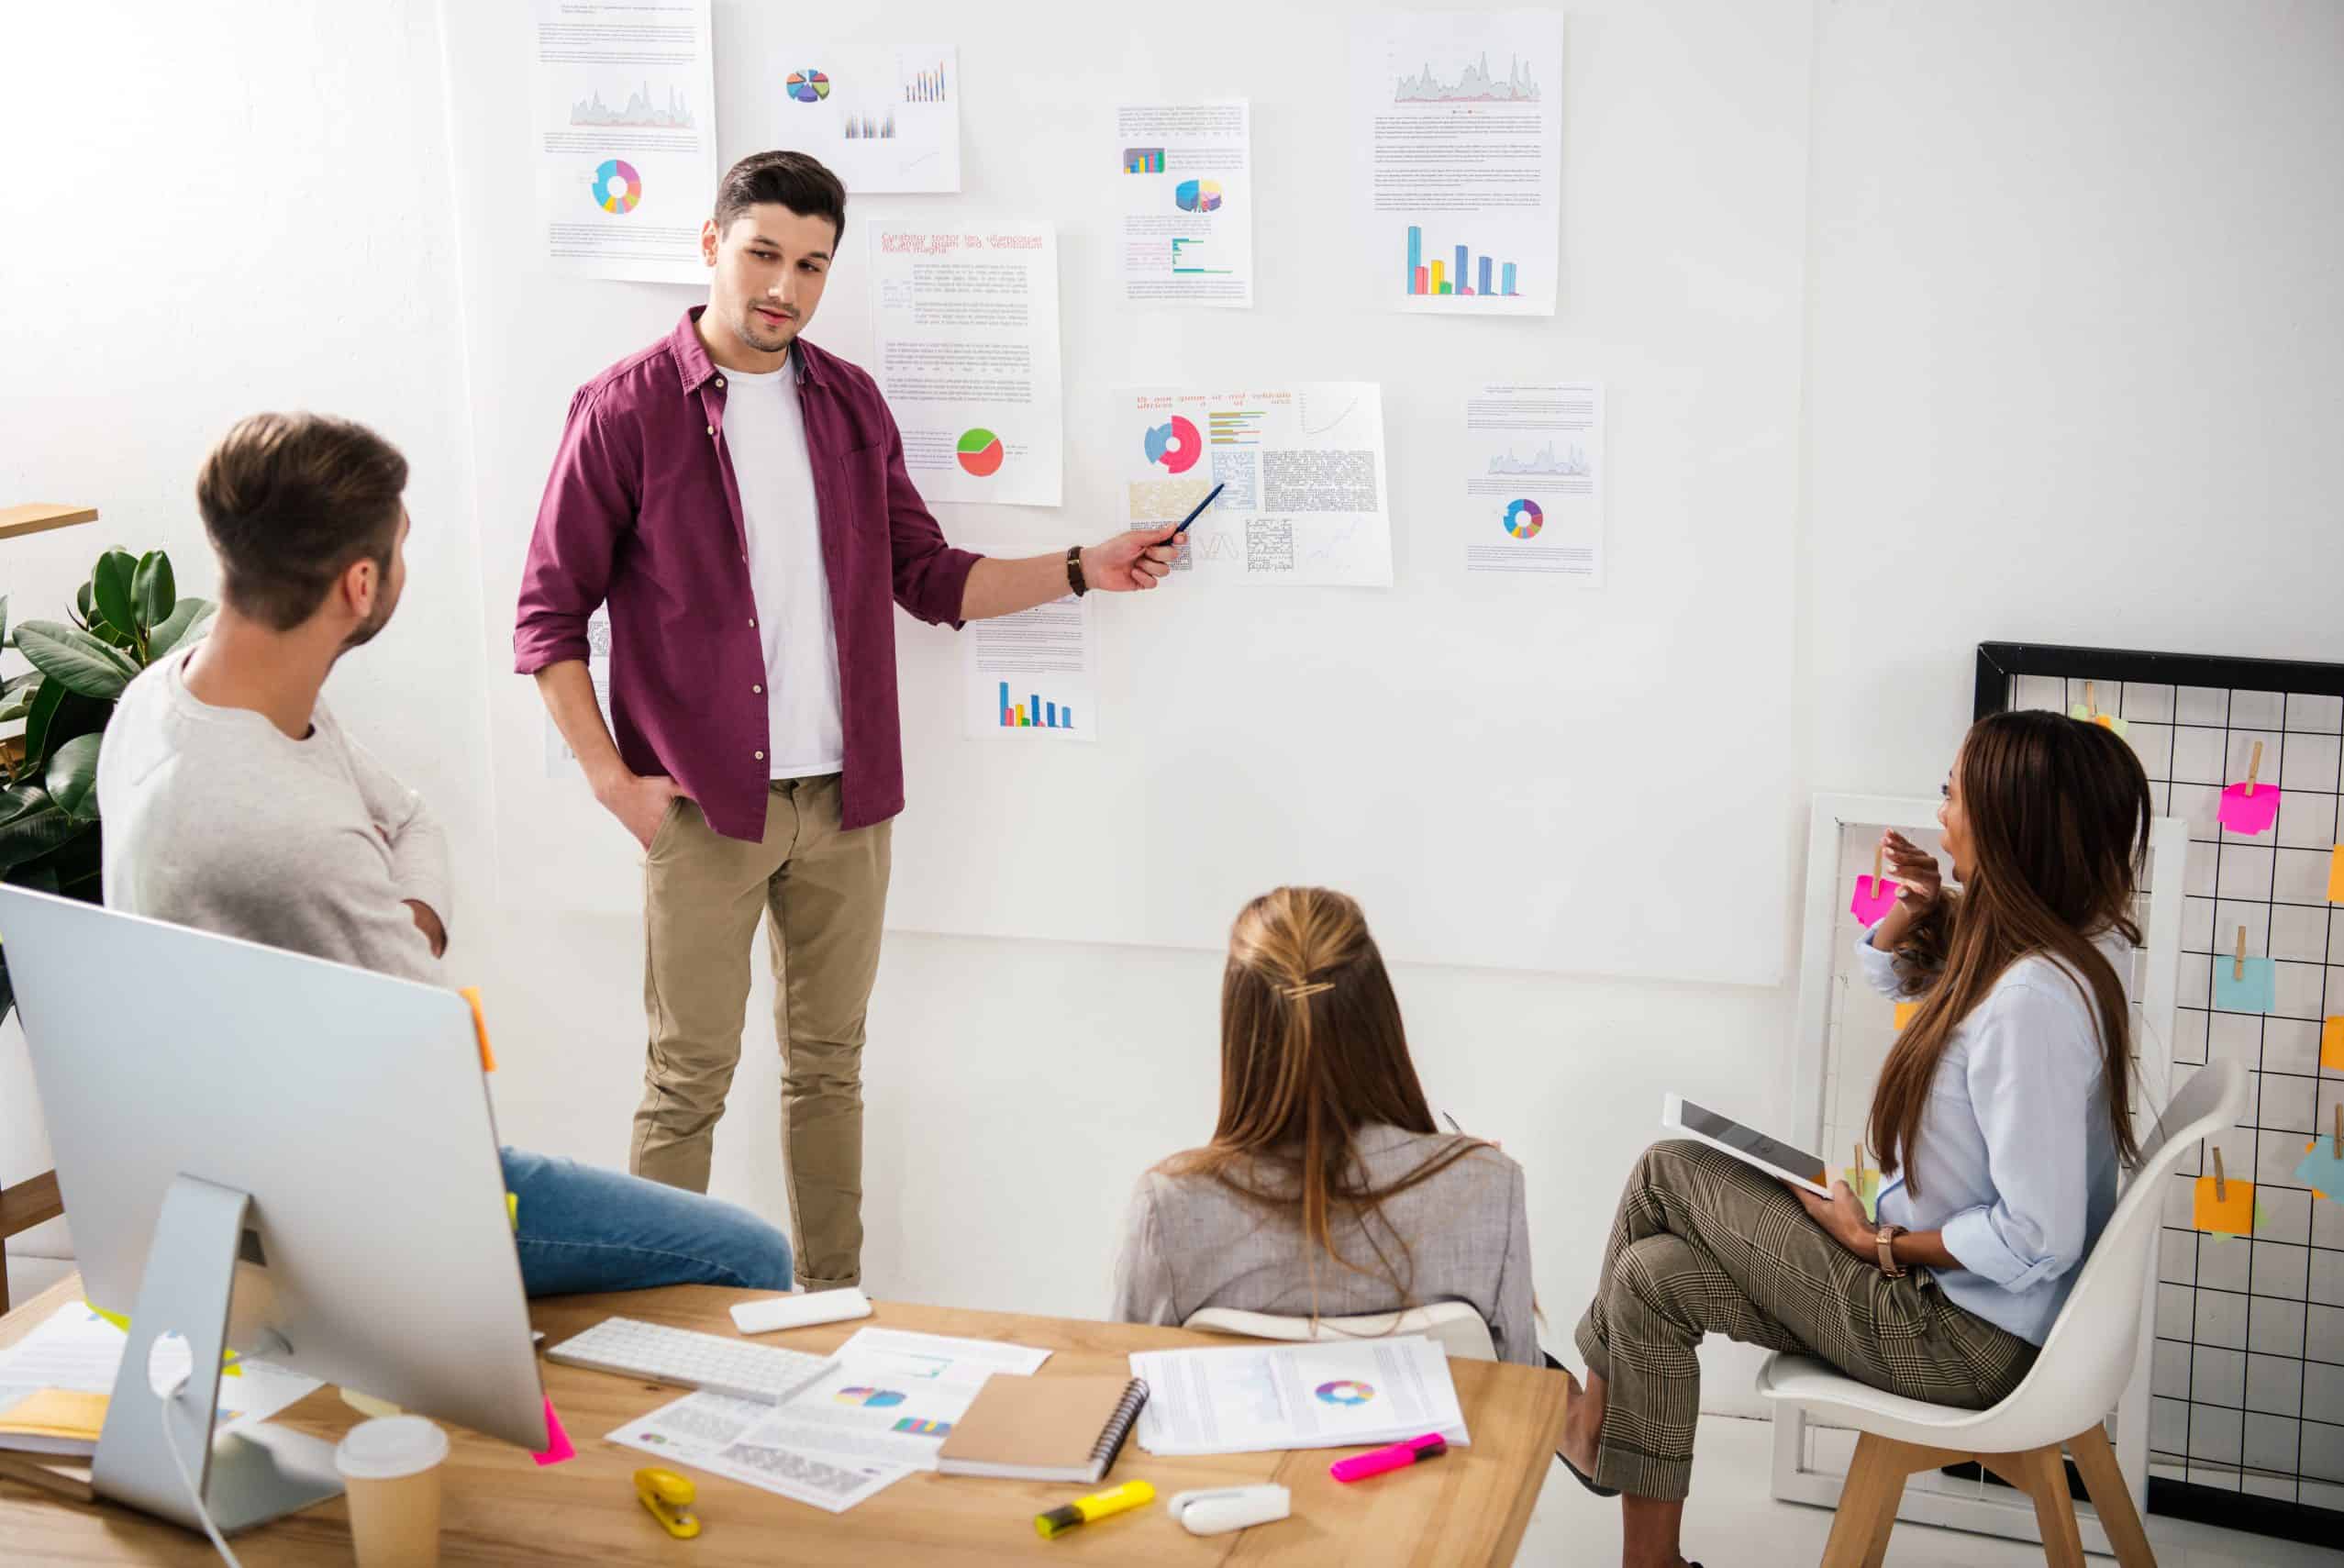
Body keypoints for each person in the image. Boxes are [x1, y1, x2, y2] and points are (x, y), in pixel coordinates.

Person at [517, 150, 1183, 1293]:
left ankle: (835, 1309)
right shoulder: (624, 410)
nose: (784, 285)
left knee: (829, 1070)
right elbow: (547, 617)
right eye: (763, 253)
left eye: (811, 265)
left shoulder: (849, 403)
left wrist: (1085, 566)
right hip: (702, 809)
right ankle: (647, 1324)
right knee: (688, 1077)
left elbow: (929, 577)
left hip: (846, 804)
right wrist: (611, 782)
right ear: (712, 246)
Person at [99, 410, 794, 1297]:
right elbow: (441, 1078)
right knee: (751, 1254)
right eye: (401, 546)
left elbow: (410, 820)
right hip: (373, 1200)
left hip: (258, 1155)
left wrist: (403, 921)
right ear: (360, 583)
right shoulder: (287, 835)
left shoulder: (170, 696)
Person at [1557, 709, 2150, 1568]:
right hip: (1956, 1311)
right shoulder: (2051, 955)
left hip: (1959, 1340)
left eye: (1954, 792)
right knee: (1650, 1280)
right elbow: (1893, 972)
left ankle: (1588, 1420)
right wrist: (1926, 904)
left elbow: (2038, 1235)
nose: (1941, 808)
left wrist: (1875, 1240)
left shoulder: (2032, 1005)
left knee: (1669, 1168)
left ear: (2008, 819)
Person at [1111, 886, 1541, 1367]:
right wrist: (1464, 1170)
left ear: (1240, 1028)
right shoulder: (1489, 1187)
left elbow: (1130, 1399)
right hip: (1450, 1447)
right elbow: (1523, 1394)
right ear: (1378, 1015)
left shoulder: (1167, 1207)